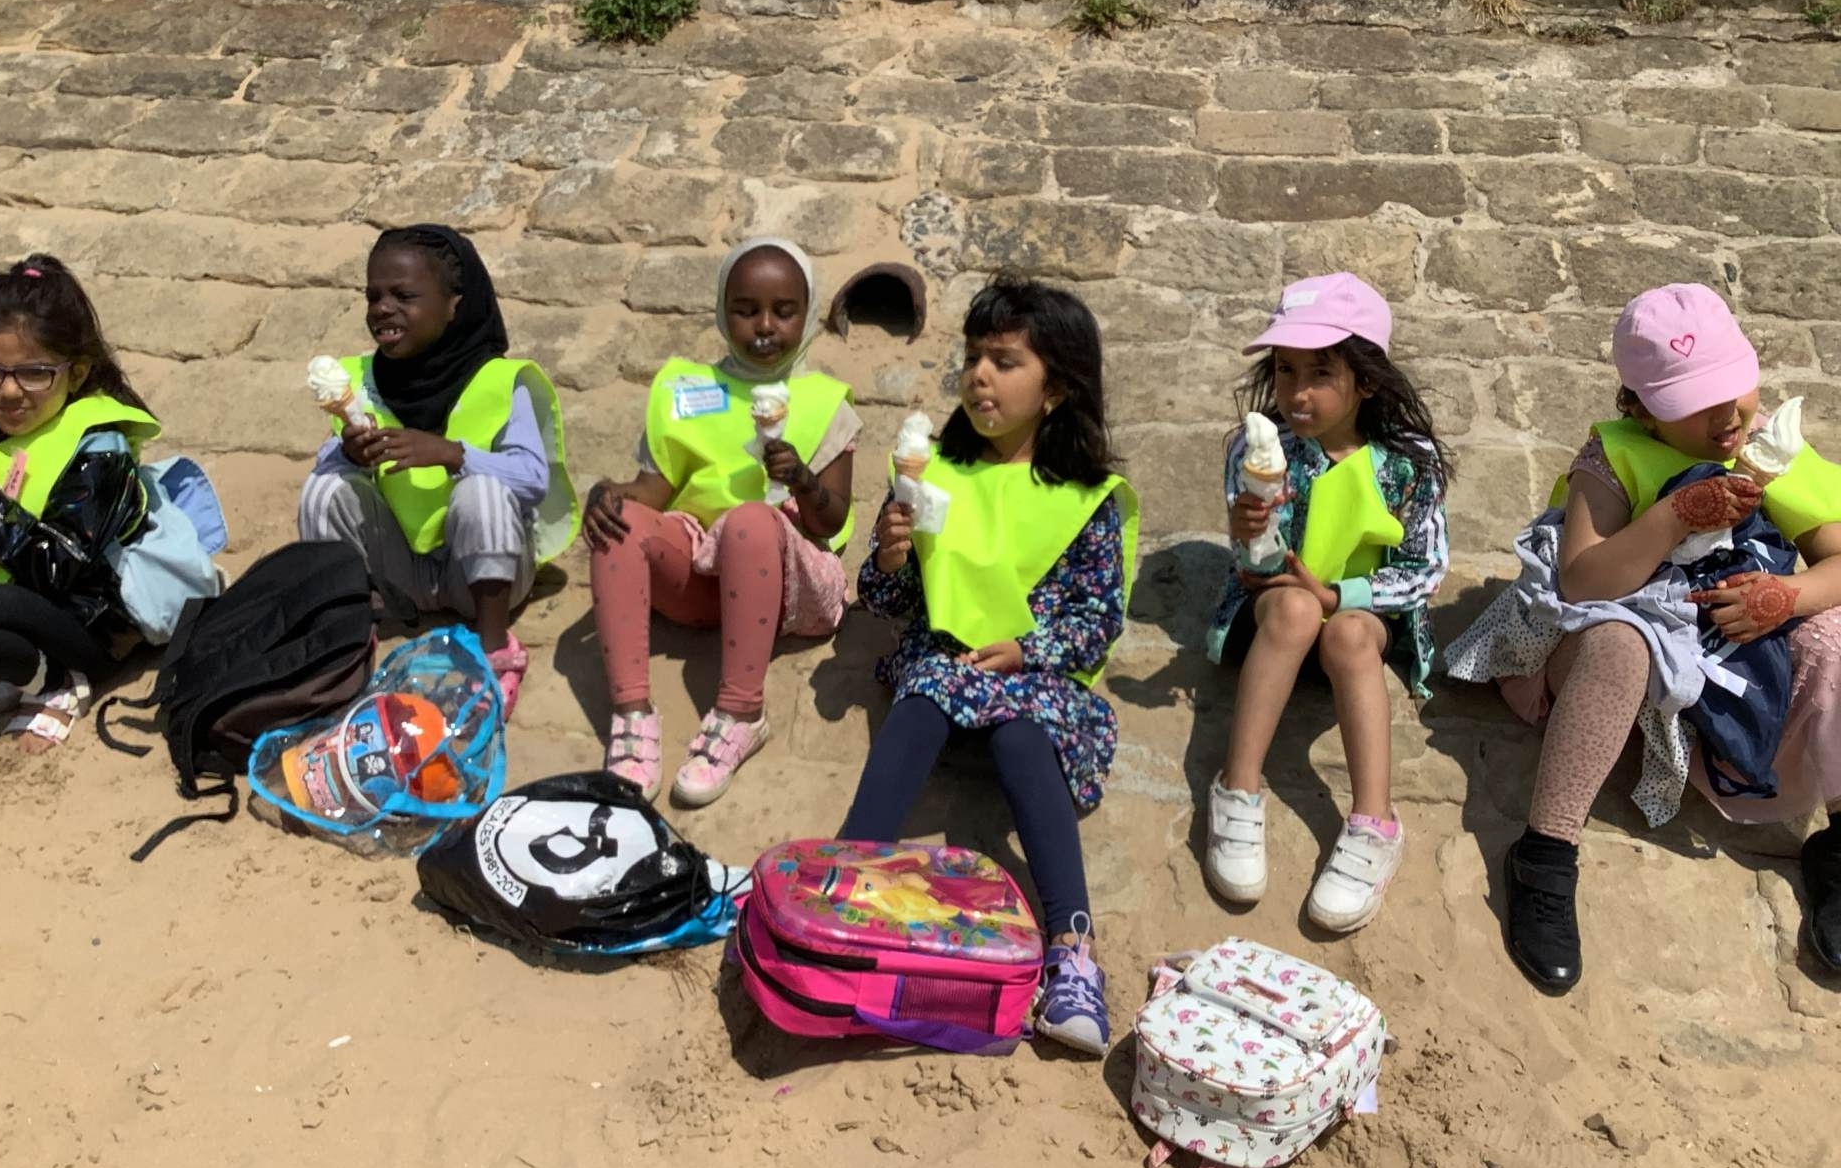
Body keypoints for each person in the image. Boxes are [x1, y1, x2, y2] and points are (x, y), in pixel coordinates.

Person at [1446, 284, 1841, 992]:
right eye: (1696, 403)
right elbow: (1584, 582)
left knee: (1836, 638)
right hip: (1618, 632)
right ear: (1642, 406)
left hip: (1727, 652)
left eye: (1735, 390)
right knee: (1618, 643)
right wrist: (1674, 517)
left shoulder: (1769, 450)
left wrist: (1789, 597)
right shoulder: (1613, 456)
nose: (1727, 416)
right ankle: (1546, 853)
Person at [839, 277, 1138, 1057]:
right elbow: (891, 599)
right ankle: (844, 883)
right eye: (974, 357)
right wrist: (891, 555)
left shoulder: (1087, 499)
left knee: (1022, 736)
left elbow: (1098, 620)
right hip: (945, 661)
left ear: (1056, 389)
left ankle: (1072, 952)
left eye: (1005, 362)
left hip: (1036, 678)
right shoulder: (933, 472)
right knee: (924, 695)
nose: (979, 375)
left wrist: (1026, 651)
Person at [1205, 273, 1452, 933]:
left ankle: (1374, 822)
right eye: (1286, 370)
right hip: (1277, 609)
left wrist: (1343, 595)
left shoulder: (1409, 462)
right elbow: (1255, 569)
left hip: (1367, 612)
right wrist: (1252, 530)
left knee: (1347, 633)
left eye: (1320, 373)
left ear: (1366, 380)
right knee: (1294, 610)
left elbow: (1425, 567)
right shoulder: (1260, 450)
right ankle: (1237, 787)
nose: (1297, 392)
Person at [583, 238, 858, 807]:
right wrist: (609, 494)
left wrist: (804, 480)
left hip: (788, 585)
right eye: (745, 310)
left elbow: (830, 523)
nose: (765, 326)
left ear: (808, 315)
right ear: (721, 311)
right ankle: (631, 714)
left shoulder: (826, 403)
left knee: (750, 521)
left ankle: (741, 712)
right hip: (702, 579)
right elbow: (653, 493)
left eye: (784, 312)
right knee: (621, 522)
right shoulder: (687, 390)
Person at [296, 224, 576, 719]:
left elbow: (533, 479)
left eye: (404, 296)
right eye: (374, 296)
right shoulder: (359, 379)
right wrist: (350, 456)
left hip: (483, 575)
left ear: (454, 306)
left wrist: (454, 455)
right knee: (324, 487)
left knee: (482, 490)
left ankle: (494, 651)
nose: (383, 309)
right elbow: (332, 486)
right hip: (400, 578)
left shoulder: (500, 380)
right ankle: (342, 646)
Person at [0, 256, 164, 751]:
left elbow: (53, 571)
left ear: (76, 373)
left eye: (34, 373)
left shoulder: (100, 452)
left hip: (78, 626)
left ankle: (51, 679)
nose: (9, 392)